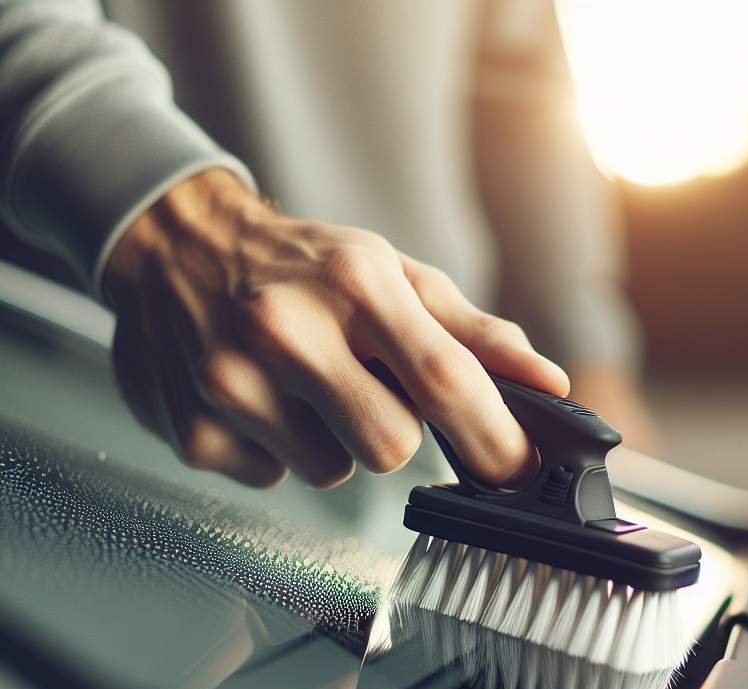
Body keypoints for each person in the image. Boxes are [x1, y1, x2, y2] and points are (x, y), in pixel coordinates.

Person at [0, 0, 654, 490]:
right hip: (76, 401)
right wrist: (179, 221)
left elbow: (517, 69)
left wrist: (588, 349)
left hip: (442, 418)